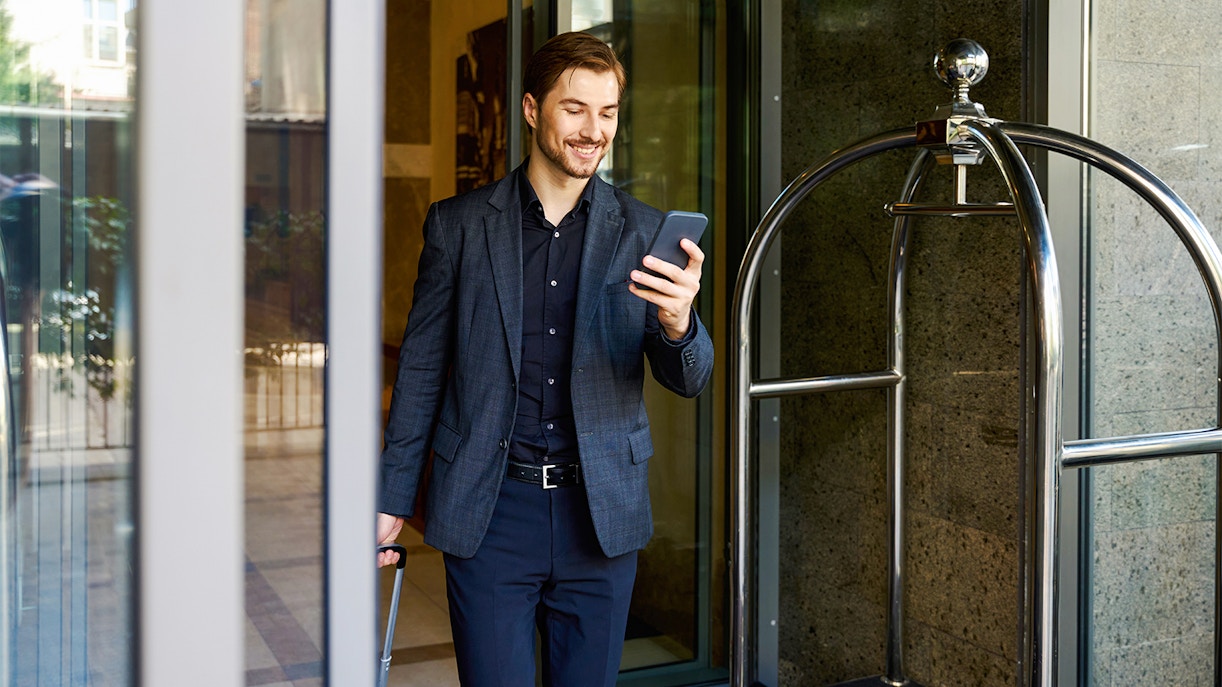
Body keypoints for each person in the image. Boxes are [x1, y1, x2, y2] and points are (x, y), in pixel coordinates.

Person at [375, 31, 714, 687]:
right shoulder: (459, 226)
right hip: (492, 512)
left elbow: (691, 376)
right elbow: (420, 369)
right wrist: (391, 496)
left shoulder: (644, 230)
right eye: (575, 108)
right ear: (532, 109)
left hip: (602, 515)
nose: (595, 130)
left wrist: (679, 323)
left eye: (608, 111)